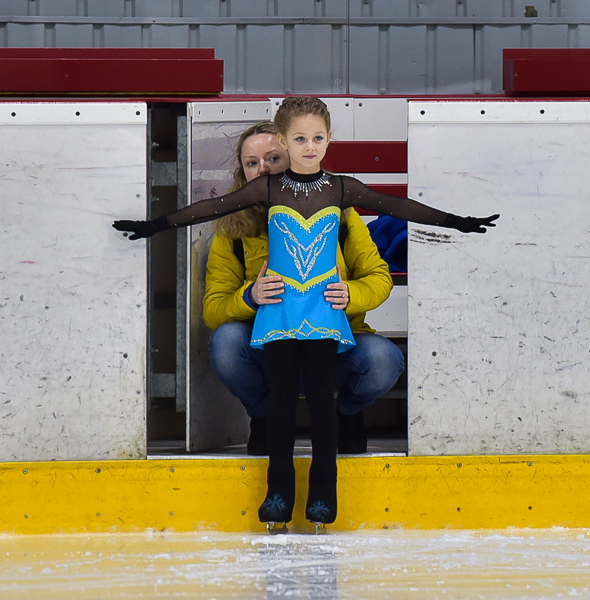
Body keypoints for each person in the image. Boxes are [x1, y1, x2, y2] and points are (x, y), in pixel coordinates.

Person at [113, 96, 498, 528]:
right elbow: (206, 211)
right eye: (298, 140)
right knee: (281, 401)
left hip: (323, 313)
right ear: (285, 140)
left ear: (329, 139)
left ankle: (323, 494)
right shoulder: (263, 194)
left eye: (316, 139)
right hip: (279, 315)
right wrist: (154, 226)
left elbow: (396, 206)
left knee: (320, 402)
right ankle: (277, 493)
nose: (308, 147)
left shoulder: (341, 191)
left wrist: (457, 222)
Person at [202, 121, 404, 457]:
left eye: (273, 158)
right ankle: (264, 417)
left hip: (332, 346)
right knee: (225, 342)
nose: (263, 169)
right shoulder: (231, 226)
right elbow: (213, 310)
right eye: (252, 163)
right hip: (271, 349)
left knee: (383, 359)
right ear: (243, 174)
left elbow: (378, 277)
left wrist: (350, 294)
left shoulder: (339, 211)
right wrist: (250, 297)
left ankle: (347, 414)